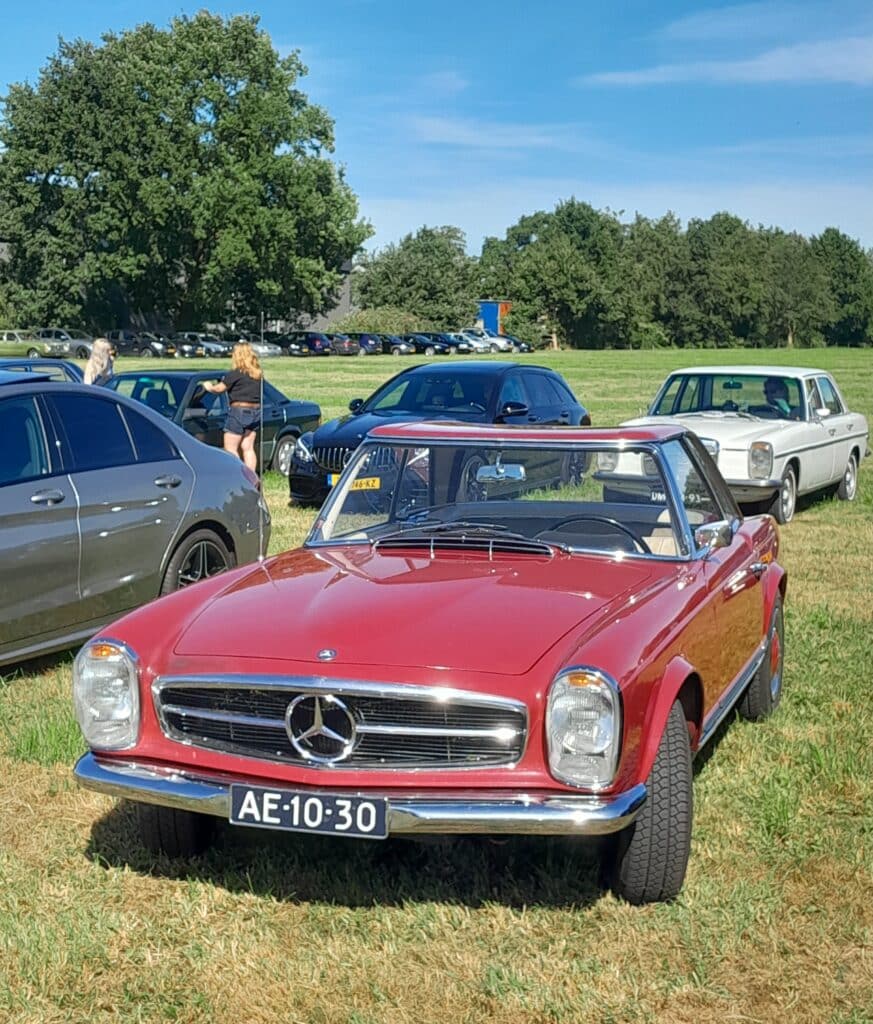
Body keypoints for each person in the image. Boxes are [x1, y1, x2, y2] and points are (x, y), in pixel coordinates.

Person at [201, 342, 263, 473]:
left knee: (230, 448)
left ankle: (237, 475)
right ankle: (251, 477)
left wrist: (209, 387)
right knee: (248, 447)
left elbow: (220, 389)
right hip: (256, 412)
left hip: (239, 412)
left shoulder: (236, 373)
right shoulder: (257, 374)